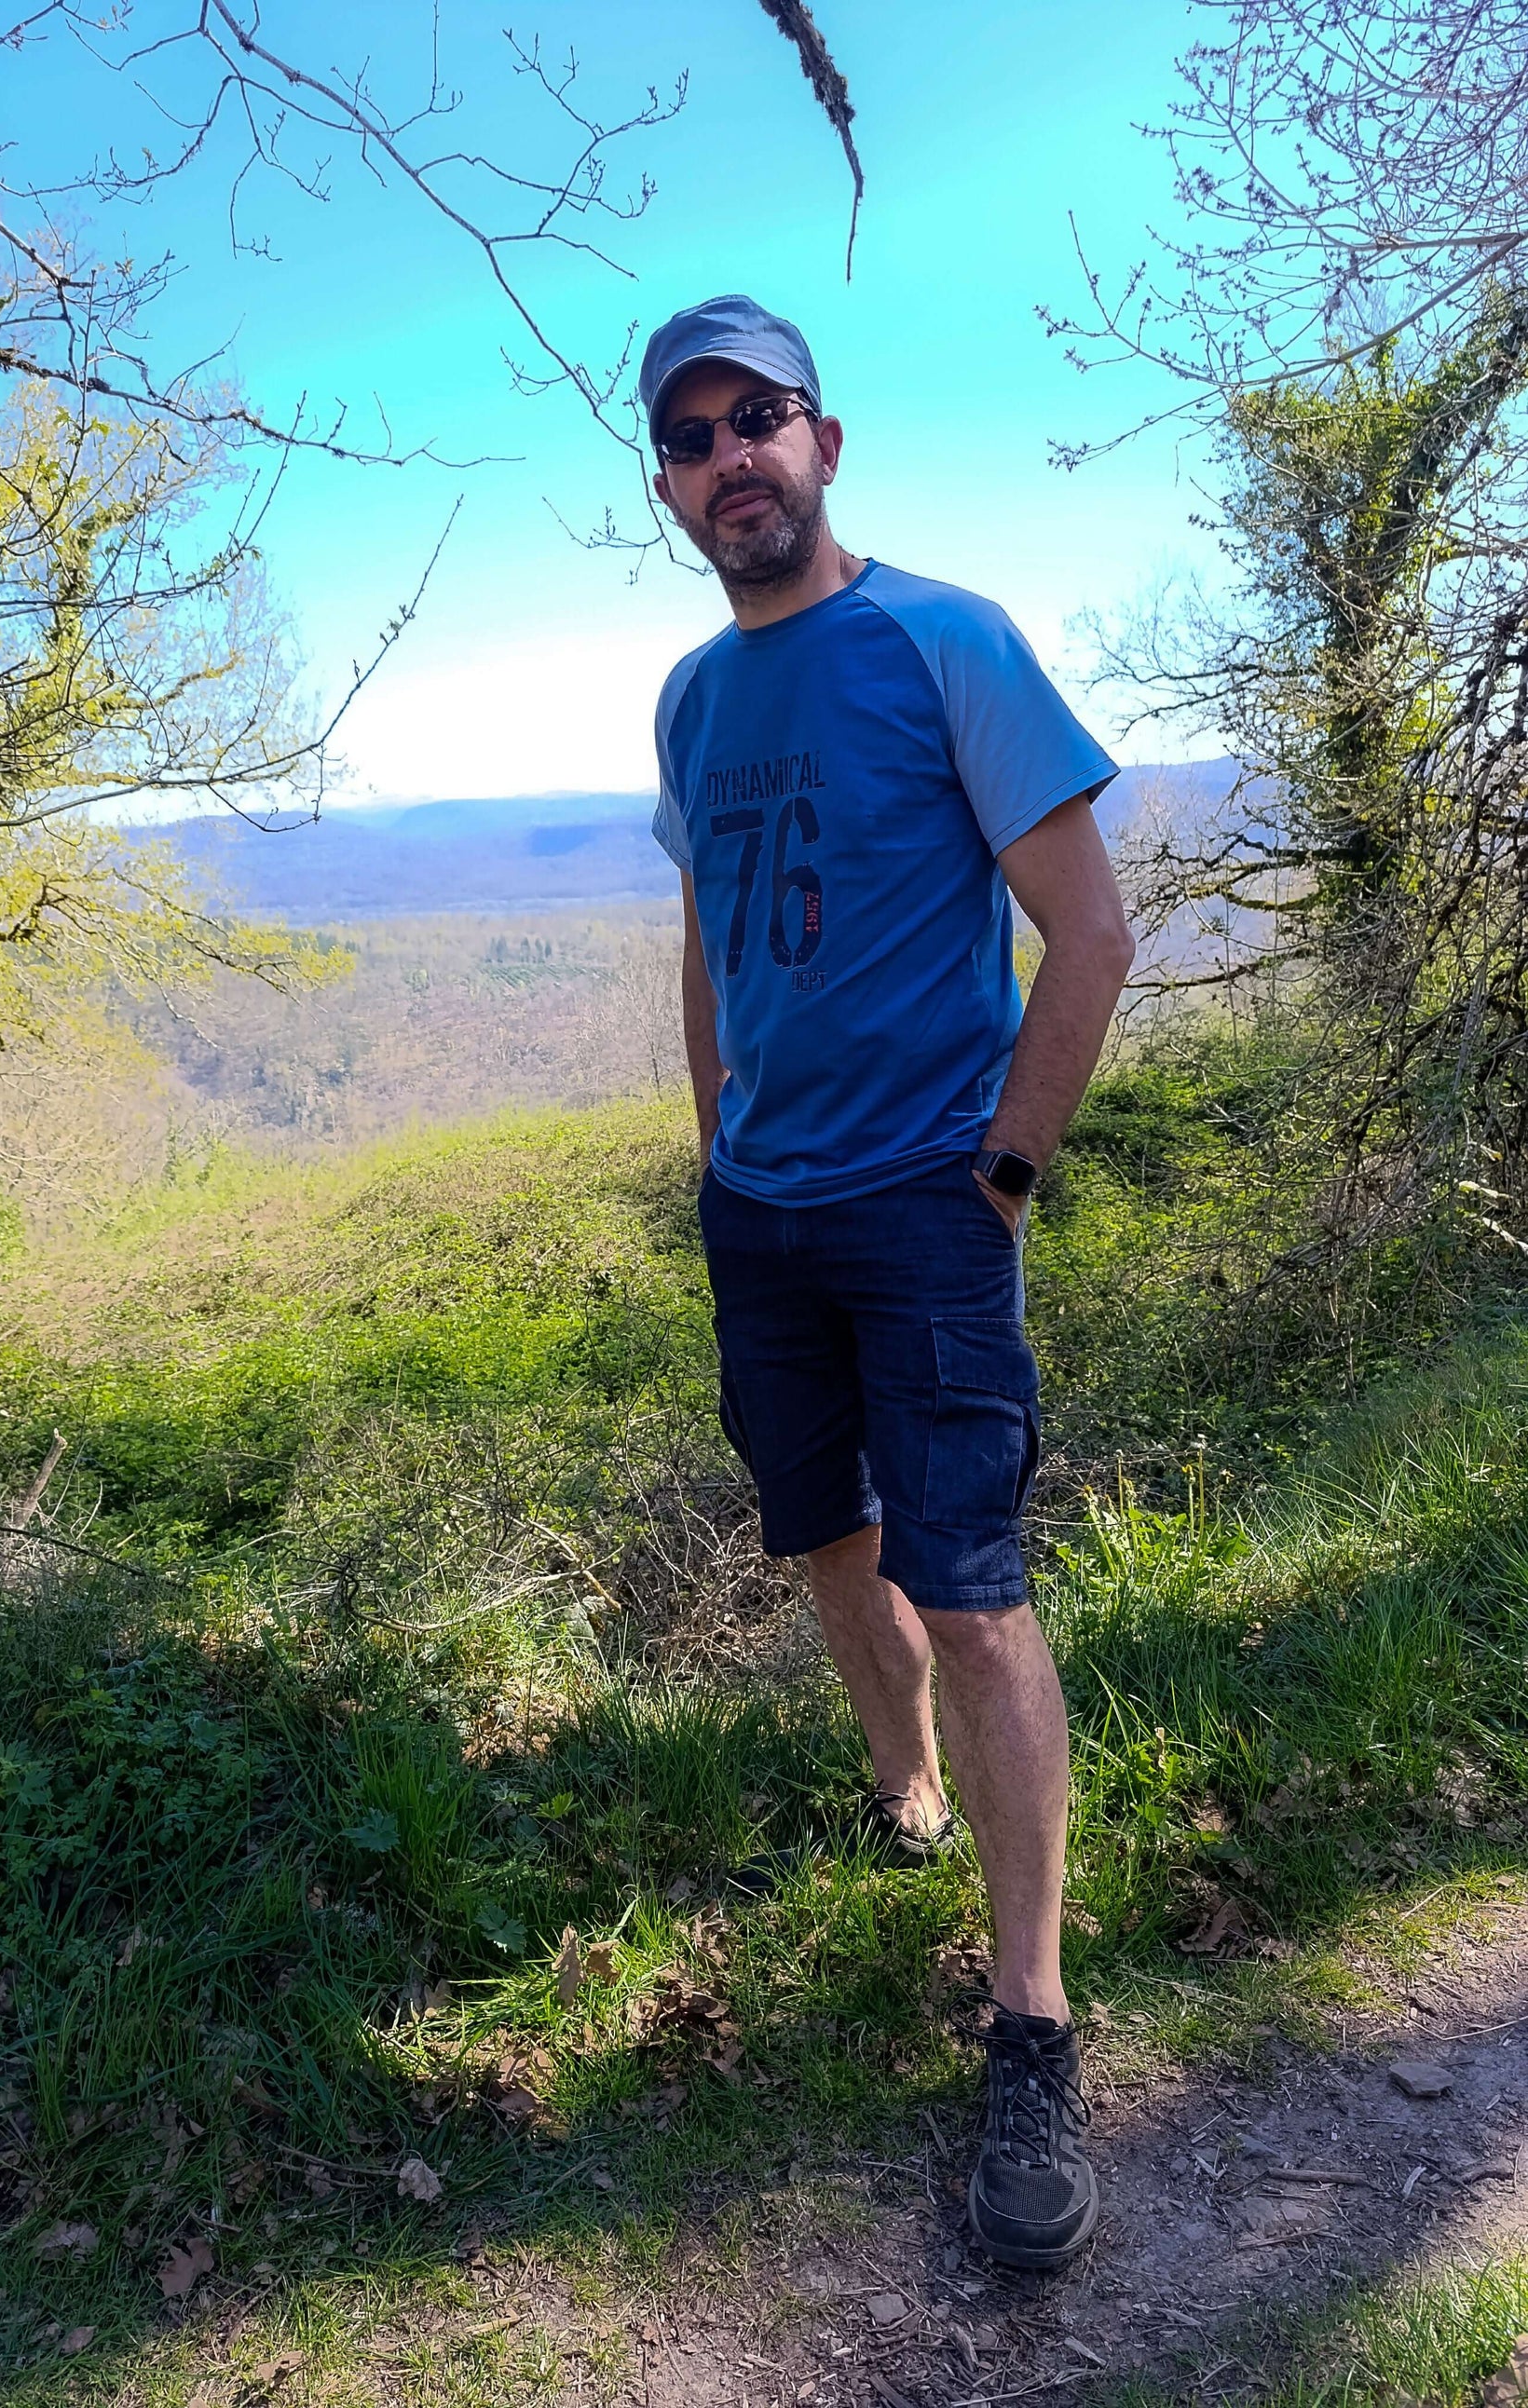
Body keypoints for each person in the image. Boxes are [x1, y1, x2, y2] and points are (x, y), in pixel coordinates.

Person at [638, 295, 1135, 2272]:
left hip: (928, 1206)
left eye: (754, 417)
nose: (726, 457)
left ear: (822, 442)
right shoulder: (690, 696)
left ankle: (1030, 2019)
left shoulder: (945, 639)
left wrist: (1001, 1173)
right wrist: (711, 1146)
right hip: (759, 1213)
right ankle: (901, 1791)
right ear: (666, 491)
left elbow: (1088, 931)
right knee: (823, 1538)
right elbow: (707, 940)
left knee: (973, 1587)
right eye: (689, 438)